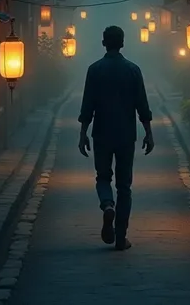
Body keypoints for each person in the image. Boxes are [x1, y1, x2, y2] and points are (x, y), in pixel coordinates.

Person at [78, 25, 154, 251]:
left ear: (104, 43)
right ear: (122, 43)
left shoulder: (94, 70)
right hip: (125, 135)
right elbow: (142, 105)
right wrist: (148, 133)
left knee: (103, 177)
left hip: (101, 133)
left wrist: (83, 134)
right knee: (124, 186)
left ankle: (107, 205)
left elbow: (87, 106)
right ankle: (120, 237)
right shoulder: (133, 70)